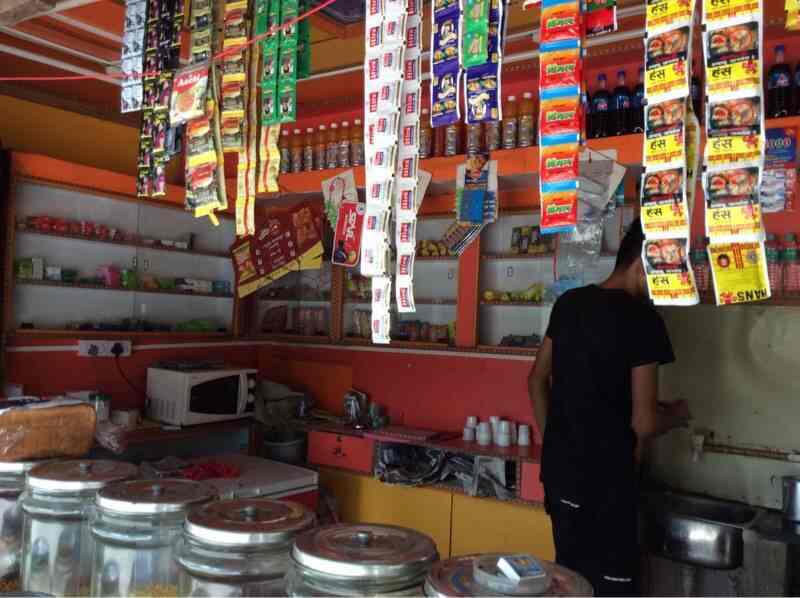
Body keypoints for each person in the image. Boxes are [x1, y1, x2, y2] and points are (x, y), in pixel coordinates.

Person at [528, 218, 689, 597]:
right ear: (642, 263)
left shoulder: (570, 303)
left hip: (561, 477)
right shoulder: (644, 320)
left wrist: (556, 441)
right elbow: (645, 422)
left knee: (568, 582)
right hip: (606, 486)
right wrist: (680, 414)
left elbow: (536, 379)